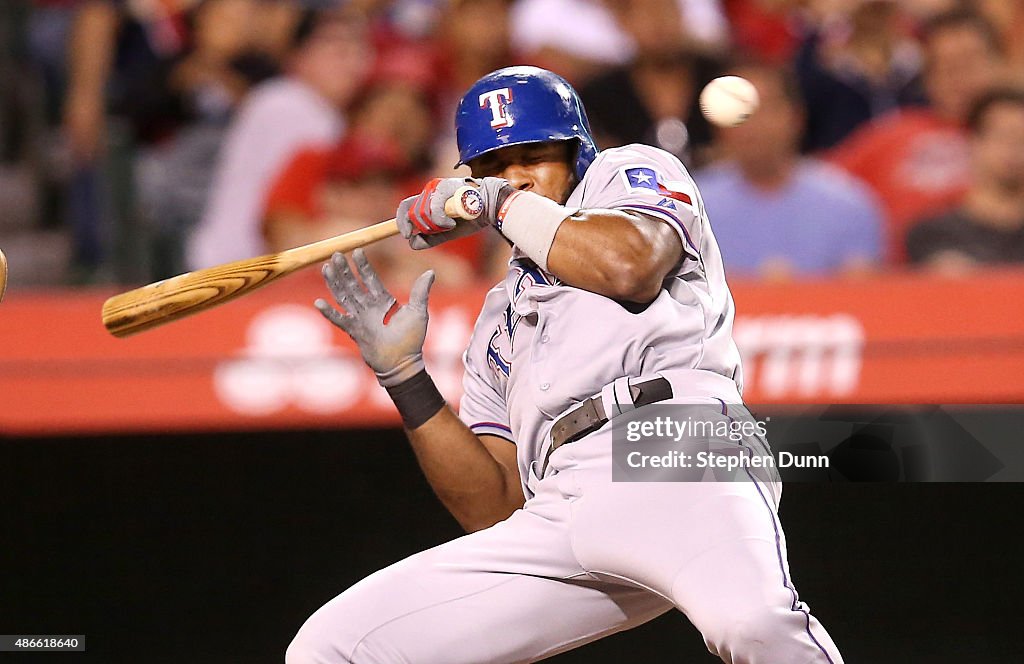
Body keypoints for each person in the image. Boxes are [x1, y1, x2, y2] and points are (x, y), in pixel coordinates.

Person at [287, 66, 844, 663]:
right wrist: (404, 378)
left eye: (534, 155)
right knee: (334, 646)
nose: (516, 178)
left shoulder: (626, 174)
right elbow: (494, 505)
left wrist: (491, 202)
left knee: (754, 624)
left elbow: (628, 265)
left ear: (577, 151)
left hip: (671, 444)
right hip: (560, 499)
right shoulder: (498, 318)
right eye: (495, 166)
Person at [185, 6, 371, 269]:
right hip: (240, 268)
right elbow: (284, 216)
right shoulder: (290, 103)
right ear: (298, 56)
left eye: (358, 51)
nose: (351, 63)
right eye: (337, 51)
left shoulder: (288, 101)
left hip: (237, 265)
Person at [828, 7, 1005, 262]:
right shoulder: (891, 134)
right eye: (945, 66)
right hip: (905, 284)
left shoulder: (1015, 136)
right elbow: (819, 186)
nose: (958, 77)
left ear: (999, 63)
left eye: (970, 62)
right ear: (927, 77)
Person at [696, 63, 883, 278]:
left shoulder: (848, 204)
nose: (752, 125)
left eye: (765, 109)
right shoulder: (691, 207)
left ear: (796, 117)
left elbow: (861, 295)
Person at [906, 87, 1024, 271]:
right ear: (973, 142)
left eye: (1021, 139)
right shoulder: (933, 234)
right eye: (1003, 136)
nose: (1013, 148)